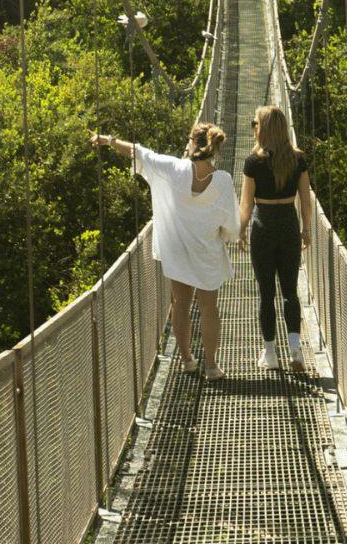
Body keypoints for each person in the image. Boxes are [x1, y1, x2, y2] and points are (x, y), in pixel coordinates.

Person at [91, 123, 239, 381]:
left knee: (181, 303)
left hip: (177, 248)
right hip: (206, 251)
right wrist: (226, 236)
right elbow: (230, 223)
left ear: (193, 143)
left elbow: (139, 152)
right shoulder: (223, 180)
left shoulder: (173, 169)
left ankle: (187, 360)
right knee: (209, 307)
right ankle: (212, 366)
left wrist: (108, 140)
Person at [238, 105, 312, 371]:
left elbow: (246, 205)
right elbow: (306, 202)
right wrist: (306, 229)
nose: (253, 127)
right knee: (290, 291)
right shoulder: (298, 159)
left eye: (255, 123)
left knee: (266, 293)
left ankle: (270, 354)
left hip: (263, 227)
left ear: (264, 128)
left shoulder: (253, 162)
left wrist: (241, 231)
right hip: (289, 226)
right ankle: (295, 351)